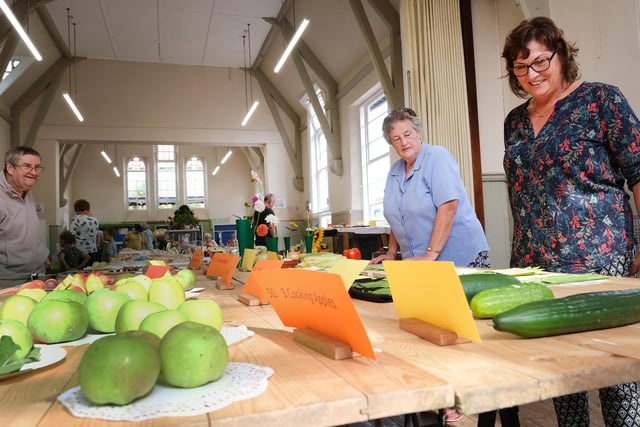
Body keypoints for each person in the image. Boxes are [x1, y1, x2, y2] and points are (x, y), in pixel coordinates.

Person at [502, 16, 640, 427]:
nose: (533, 74)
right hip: (537, 267)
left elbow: (638, 171)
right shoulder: (513, 121)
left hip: (603, 260)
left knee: (618, 376)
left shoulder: (601, 100)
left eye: (541, 62)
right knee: (561, 376)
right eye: (522, 67)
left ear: (562, 57)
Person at [370, 108, 489, 423]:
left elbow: (448, 206)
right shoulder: (396, 171)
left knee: (456, 330)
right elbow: (396, 215)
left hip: (459, 253)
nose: (403, 141)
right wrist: (392, 253)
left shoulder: (437, 158)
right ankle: (436, 392)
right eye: (396, 138)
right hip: (423, 262)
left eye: (407, 134)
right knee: (425, 328)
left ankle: (464, 395)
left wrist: (431, 254)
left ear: (418, 133)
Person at [0, 146, 49, 288]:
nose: (34, 172)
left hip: (38, 275)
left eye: (37, 167)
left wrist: (41, 253)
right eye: (27, 166)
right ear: (10, 168)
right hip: (9, 281)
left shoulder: (25, 191)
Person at [70, 199, 99, 265]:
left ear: (77, 209)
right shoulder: (95, 220)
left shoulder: (76, 219)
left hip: (80, 253)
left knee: (80, 274)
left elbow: (71, 236)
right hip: (93, 251)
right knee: (91, 273)